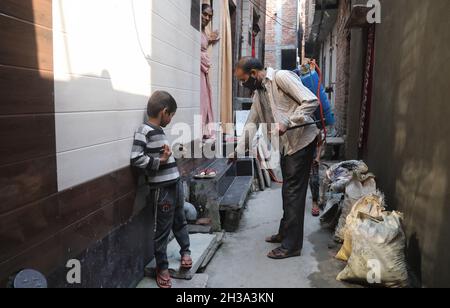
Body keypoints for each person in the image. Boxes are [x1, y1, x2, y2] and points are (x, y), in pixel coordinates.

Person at [232, 57, 319, 259]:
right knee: (288, 192)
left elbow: (311, 100)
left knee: (293, 194)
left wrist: (288, 122)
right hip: (287, 146)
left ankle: (292, 245)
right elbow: (251, 124)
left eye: (243, 80)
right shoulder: (259, 94)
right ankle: (285, 233)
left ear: (253, 74)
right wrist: (237, 152)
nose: (242, 84)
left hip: (301, 142)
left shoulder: (281, 77)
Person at [130, 91, 192, 289]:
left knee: (180, 220)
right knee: (162, 230)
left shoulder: (158, 130)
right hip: (162, 189)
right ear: (164, 111)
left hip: (175, 184)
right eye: (171, 115)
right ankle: (162, 268)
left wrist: (168, 159)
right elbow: (136, 158)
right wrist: (161, 161)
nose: (171, 119)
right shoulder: (144, 131)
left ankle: (185, 251)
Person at [200, 4, 220, 140]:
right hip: (198, 70)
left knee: (206, 99)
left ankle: (205, 130)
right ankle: (200, 131)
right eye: (205, 14)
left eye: (210, 16)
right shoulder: (196, 31)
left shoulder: (203, 33)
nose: (207, 18)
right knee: (202, 100)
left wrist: (210, 39)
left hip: (203, 70)